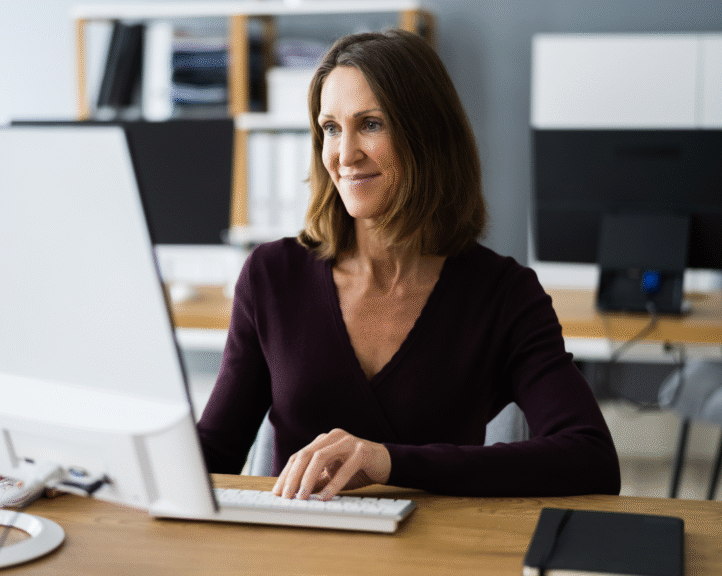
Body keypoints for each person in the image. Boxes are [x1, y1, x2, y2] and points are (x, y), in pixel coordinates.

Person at [196, 29, 621, 501]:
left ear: (428, 136)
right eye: (331, 128)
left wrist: (390, 462)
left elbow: (590, 459)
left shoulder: (503, 294)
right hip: (299, 553)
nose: (344, 154)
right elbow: (214, 452)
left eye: (371, 124)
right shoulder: (272, 276)